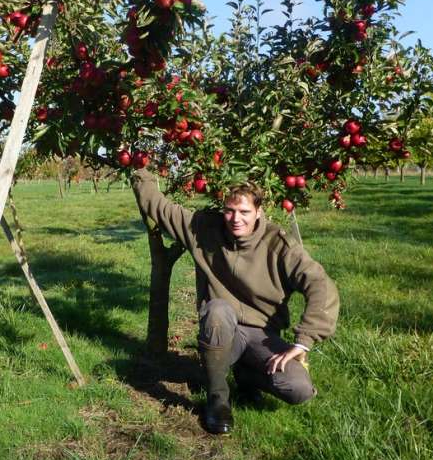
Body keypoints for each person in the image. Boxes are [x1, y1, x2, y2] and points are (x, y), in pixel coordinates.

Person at [131, 169, 339, 434]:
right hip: (223, 329)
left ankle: (246, 374)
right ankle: (218, 398)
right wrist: (141, 169)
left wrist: (303, 341)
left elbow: (321, 285)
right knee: (217, 310)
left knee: (299, 389)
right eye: (229, 211)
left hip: (263, 335)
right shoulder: (204, 229)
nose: (235, 219)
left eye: (244, 212)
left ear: (258, 212)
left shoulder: (278, 245)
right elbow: (159, 207)